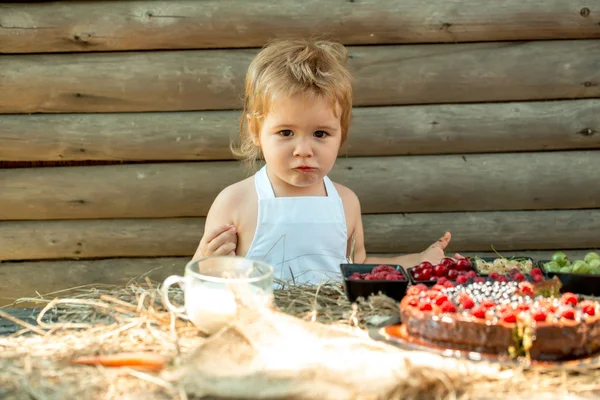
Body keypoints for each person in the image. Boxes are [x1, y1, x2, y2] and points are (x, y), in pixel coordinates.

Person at [193, 38, 461, 284]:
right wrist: (203, 261)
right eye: (286, 133)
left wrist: (419, 261)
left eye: (320, 134)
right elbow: (201, 280)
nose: (304, 150)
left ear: (341, 134)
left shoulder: (346, 203)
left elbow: (359, 268)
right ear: (255, 131)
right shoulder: (235, 202)